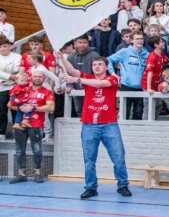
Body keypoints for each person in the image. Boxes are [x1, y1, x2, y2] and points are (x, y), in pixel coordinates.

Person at [59, 55, 132, 199]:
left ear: (106, 66)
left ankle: (123, 185)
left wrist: (76, 80)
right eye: (94, 65)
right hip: (89, 124)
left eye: (100, 64)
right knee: (89, 159)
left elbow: (99, 84)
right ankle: (91, 187)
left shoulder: (112, 78)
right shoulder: (88, 78)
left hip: (109, 124)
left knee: (118, 157)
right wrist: (61, 57)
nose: (97, 67)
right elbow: (72, 70)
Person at [8, 71, 54, 184]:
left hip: (36, 124)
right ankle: (21, 174)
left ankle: (38, 173)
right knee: (19, 150)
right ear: (31, 78)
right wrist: (21, 108)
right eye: (35, 76)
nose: (37, 78)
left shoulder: (47, 92)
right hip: (19, 123)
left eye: (40, 77)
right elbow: (9, 104)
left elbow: (51, 108)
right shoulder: (23, 88)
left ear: (44, 79)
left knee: (37, 150)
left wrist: (33, 108)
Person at [0, 36, 22, 138]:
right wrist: (9, 76)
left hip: (14, 87)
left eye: (5, 46)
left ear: (9, 46)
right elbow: (12, 73)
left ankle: (17, 132)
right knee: (1, 111)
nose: (3, 49)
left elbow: (17, 70)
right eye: (0, 47)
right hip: (1, 88)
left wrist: (5, 74)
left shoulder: (17, 56)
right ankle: (1, 133)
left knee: (15, 110)